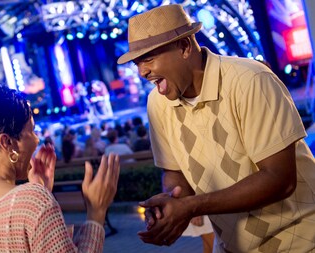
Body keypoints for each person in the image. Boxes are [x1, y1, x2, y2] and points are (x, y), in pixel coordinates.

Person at [117, 4, 315, 252]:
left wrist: (193, 206)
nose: (142, 71)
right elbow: (174, 172)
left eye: (149, 58)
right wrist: (172, 200)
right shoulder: (157, 103)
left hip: (300, 242)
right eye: (137, 63)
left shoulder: (250, 80)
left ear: (185, 47)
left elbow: (279, 179)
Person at [0, 85, 120, 252]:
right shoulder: (33, 202)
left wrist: (41, 191)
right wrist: (96, 212)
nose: (36, 140)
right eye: (32, 131)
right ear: (7, 142)